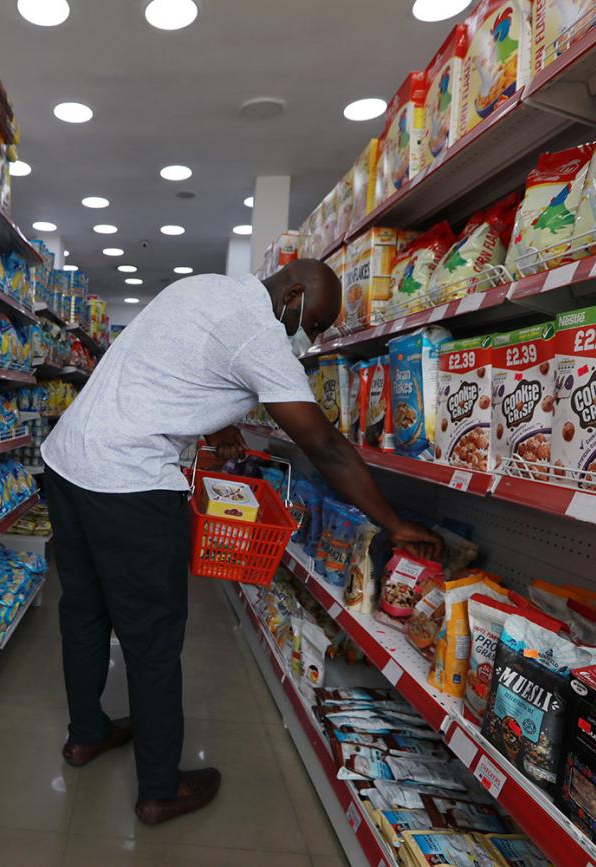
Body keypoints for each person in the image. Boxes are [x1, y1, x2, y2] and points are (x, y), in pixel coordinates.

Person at [39, 259, 441, 826]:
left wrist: (213, 421)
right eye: (318, 323)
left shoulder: (208, 287)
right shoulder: (261, 333)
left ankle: (85, 734)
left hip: (67, 460)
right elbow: (324, 444)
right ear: (294, 293)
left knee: (83, 612)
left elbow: (172, 368)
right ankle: (159, 788)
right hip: (127, 482)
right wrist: (392, 522)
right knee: (152, 639)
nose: (314, 337)